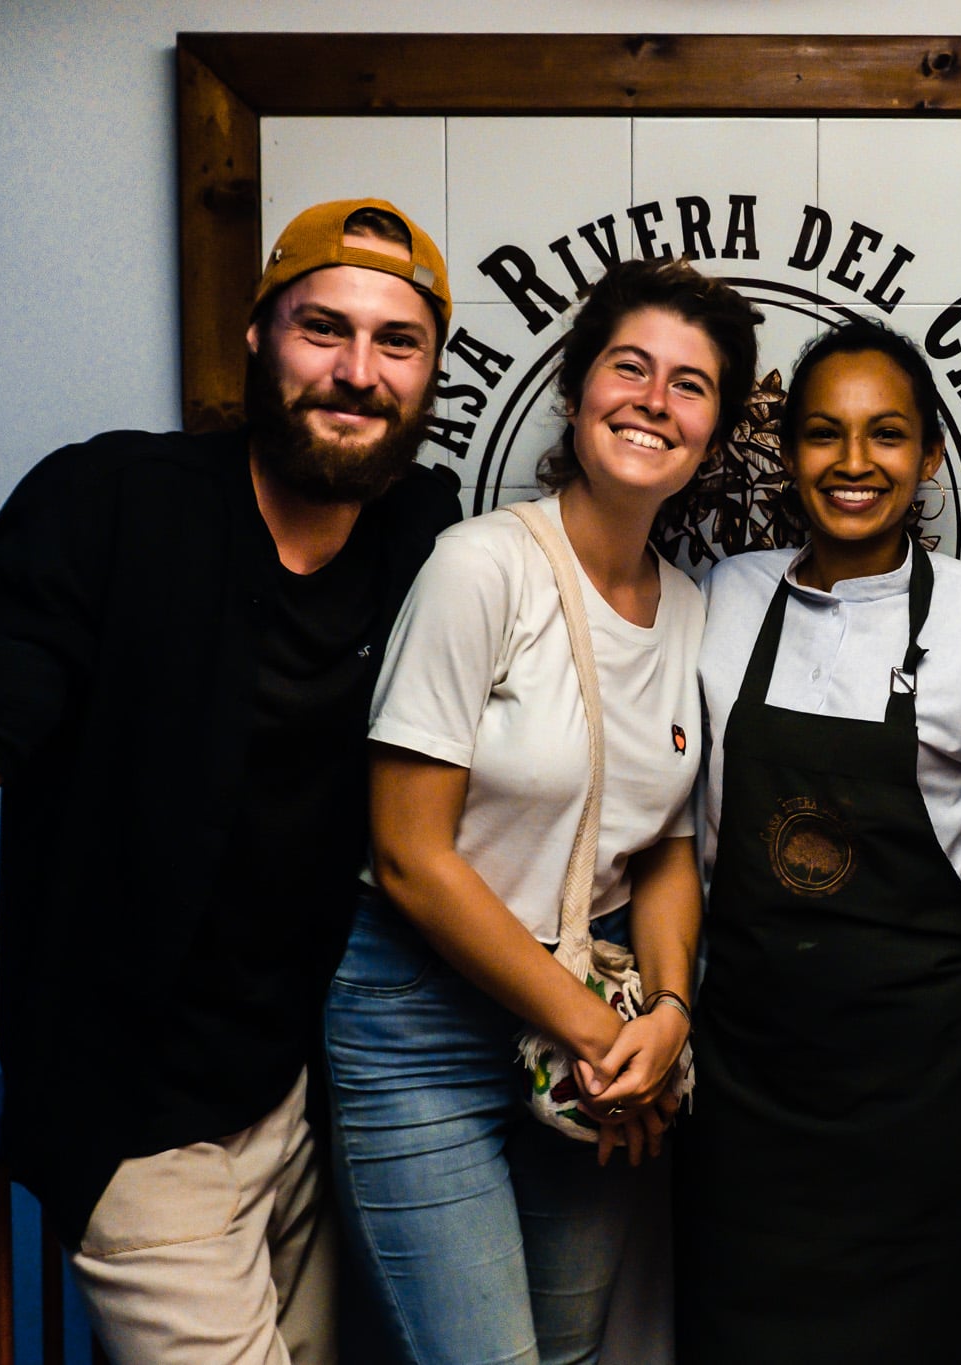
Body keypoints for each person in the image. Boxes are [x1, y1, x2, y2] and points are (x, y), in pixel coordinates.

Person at [0, 199, 461, 1365]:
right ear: (259, 336)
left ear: (428, 376)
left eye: (396, 342)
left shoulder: (421, 530)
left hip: (305, 1103)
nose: (356, 372)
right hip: (140, 1124)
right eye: (324, 329)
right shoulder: (111, 502)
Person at [323, 256, 762, 1365]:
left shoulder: (691, 613)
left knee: (568, 1353)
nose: (653, 401)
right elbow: (409, 855)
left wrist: (664, 1013)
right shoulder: (480, 568)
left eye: (690, 383)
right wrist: (601, 1034)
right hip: (422, 1023)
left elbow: (660, 844)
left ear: (713, 432)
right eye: (629, 367)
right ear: (574, 390)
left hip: (597, 1009)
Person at [675, 320, 961, 1362]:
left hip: (924, 1094)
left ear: (925, 456)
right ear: (787, 454)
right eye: (823, 434)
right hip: (752, 1086)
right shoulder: (727, 600)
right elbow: (696, 844)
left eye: (886, 435)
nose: (853, 463)